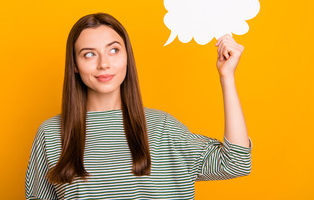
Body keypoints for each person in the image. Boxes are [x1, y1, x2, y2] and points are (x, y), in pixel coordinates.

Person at [25, 12, 253, 200]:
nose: (104, 64)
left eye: (113, 50)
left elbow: (235, 162)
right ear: (75, 65)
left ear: (127, 57)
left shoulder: (163, 127)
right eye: (89, 55)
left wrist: (227, 77)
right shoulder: (52, 134)